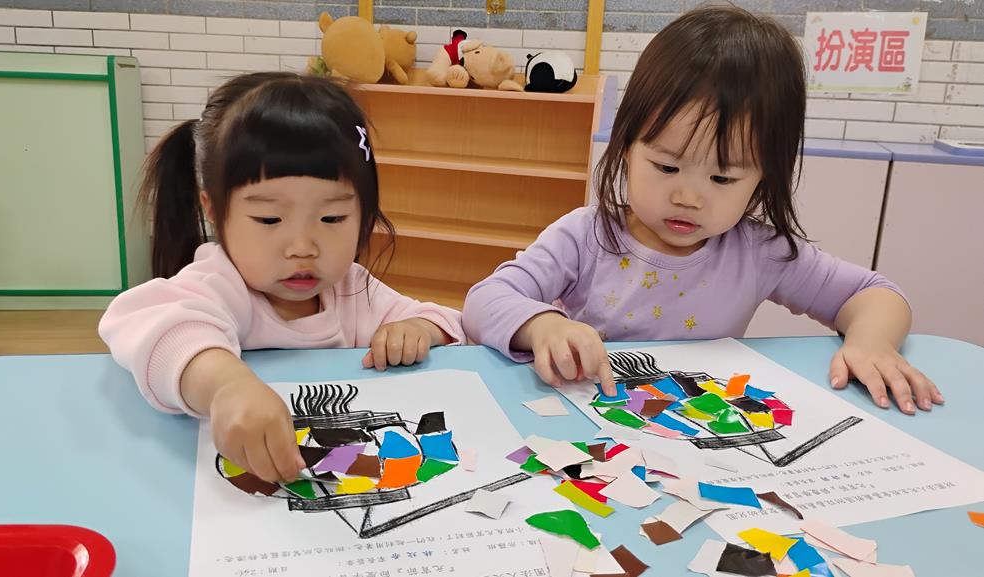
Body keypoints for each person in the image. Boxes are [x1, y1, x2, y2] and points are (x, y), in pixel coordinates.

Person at [464, 6, 941, 415]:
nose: (689, 197)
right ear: (626, 148)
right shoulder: (585, 236)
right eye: (667, 167)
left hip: (693, 429)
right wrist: (544, 325)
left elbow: (875, 294)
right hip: (586, 425)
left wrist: (870, 341)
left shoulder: (760, 252)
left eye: (722, 179)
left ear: (763, 177)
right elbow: (484, 302)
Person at [100, 72, 464, 484]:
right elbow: (147, 323)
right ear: (214, 211)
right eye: (270, 219)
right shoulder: (220, 282)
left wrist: (418, 329)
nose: (302, 247)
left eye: (332, 218)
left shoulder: (352, 289)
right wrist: (225, 386)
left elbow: (447, 322)